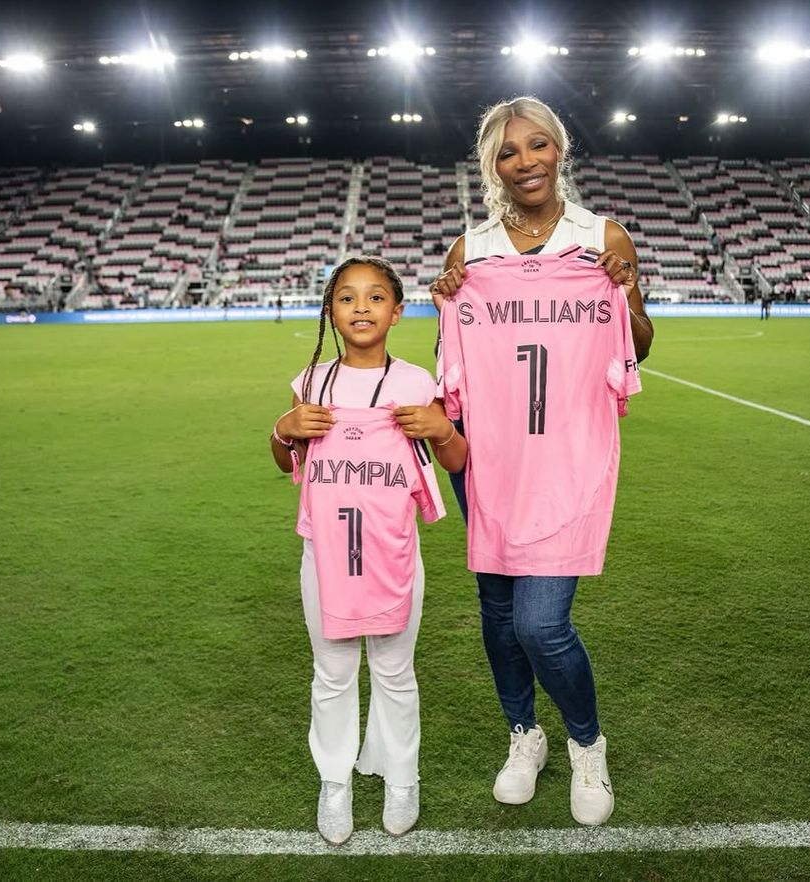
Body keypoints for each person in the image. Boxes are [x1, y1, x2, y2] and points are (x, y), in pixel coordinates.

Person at [427, 96, 653, 827]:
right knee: (497, 613)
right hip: (487, 462)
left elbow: (637, 344)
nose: (525, 161)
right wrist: (447, 300)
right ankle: (524, 734)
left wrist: (625, 291)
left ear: (560, 150)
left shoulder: (603, 237)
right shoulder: (470, 251)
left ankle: (587, 742)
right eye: (507, 151)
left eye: (537, 146)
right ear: (492, 165)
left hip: (566, 460)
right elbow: (450, 378)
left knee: (541, 624)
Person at [270, 256, 467, 845]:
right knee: (331, 674)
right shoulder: (312, 384)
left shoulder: (417, 383)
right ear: (330, 311)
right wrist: (284, 428)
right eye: (347, 298)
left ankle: (401, 777)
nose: (361, 307)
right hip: (325, 555)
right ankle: (335, 782)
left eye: (375, 297)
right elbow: (287, 461)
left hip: (394, 553)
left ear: (398, 311)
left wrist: (441, 429)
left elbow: (457, 460)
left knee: (395, 671)